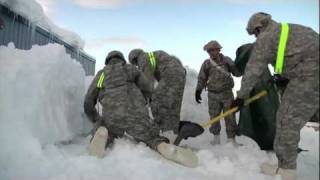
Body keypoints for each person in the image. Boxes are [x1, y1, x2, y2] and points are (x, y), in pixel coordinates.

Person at [231, 12, 319, 180]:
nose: (256, 38)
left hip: (308, 79)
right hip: (307, 77)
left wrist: (240, 97)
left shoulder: (267, 37)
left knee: (286, 122)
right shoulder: (292, 29)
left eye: (254, 34)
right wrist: (285, 76)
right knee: (286, 119)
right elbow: (301, 55)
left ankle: (286, 171)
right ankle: (284, 166)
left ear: (258, 28)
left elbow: (253, 70)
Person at [84, 51, 198, 167]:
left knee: (105, 126)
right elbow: (148, 87)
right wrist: (142, 102)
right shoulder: (131, 69)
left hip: (112, 117)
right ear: (122, 59)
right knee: (151, 136)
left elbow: (88, 101)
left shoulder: (102, 75)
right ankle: (161, 146)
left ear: (107, 62)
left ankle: (104, 135)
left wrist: (96, 119)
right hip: (137, 117)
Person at [128, 49, 186, 136]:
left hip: (170, 74)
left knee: (156, 101)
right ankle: (174, 133)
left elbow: (147, 83)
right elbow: (176, 61)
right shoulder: (155, 55)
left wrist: (143, 100)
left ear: (134, 59)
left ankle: (164, 131)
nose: (136, 65)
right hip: (181, 75)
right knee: (173, 107)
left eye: (135, 64)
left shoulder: (143, 58)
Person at [233, 43, 279, 150]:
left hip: (261, 92)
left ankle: (266, 139)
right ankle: (264, 139)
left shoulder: (254, 66)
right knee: (258, 114)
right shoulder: (259, 62)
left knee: (265, 114)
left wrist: (240, 98)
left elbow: (246, 78)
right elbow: (238, 73)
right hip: (257, 92)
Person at [195, 40, 240, 145]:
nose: (211, 53)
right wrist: (198, 91)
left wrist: (237, 65)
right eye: (209, 51)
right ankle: (216, 139)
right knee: (214, 117)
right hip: (213, 95)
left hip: (227, 94)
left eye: (213, 50)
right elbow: (201, 78)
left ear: (218, 50)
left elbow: (237, 72)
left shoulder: (227, 60)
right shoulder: (206, 64)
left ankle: (231, 140)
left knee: (230, 116)